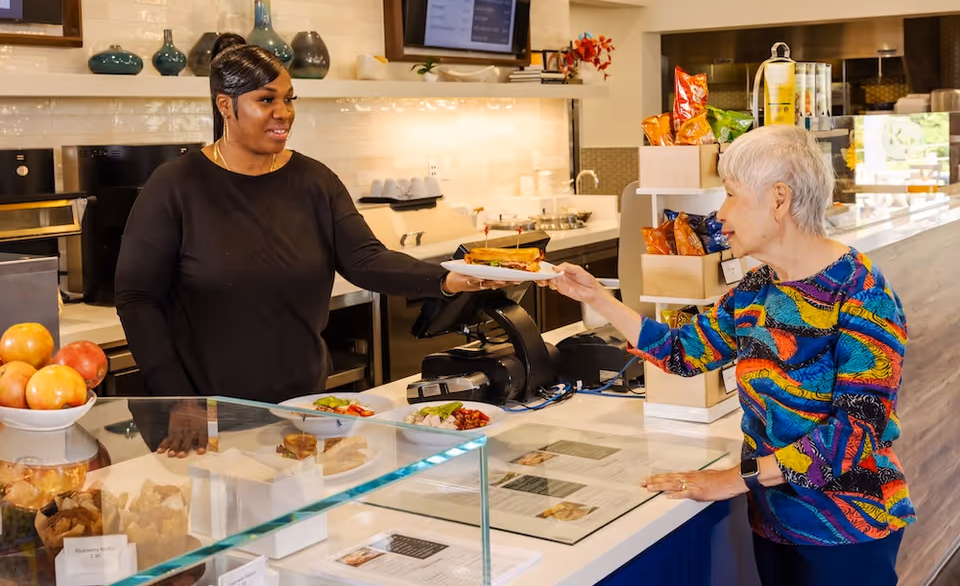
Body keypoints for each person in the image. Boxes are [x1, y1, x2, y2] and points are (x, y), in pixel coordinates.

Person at [544, 125, 915, 586]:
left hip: (848, 528)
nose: (720, 214)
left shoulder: (862, 292)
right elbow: (683, 351)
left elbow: (857, 430)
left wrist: (737, 478)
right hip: (775, 523)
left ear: (779, 199)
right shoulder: (757, 289)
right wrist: (596, 296)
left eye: (732, 195)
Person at [115, 34, 500, 452]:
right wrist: (180, 400)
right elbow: (137, 298)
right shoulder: (175, 186)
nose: (284, 113)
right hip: (209, 416)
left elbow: (365, 259)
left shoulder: (314, 181)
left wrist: (448, 279)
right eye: (266, 100)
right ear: (226, 106)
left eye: (289, 99)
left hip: (306, 409)